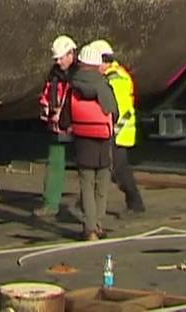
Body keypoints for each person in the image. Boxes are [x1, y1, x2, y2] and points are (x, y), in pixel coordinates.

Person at [62, 41, 121, 240]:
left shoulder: (72, 88)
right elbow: (115, 114)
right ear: (97, 65)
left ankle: (89, 229)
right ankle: (98, 223)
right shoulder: (103, 86)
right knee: (102, 184)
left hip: (82, 143)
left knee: (86, 185)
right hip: (103, 143)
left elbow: (64, 120)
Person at [95, 41, 146, 215]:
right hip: (119, 130)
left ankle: (135, 204)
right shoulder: (116, 75)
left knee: (119, 169)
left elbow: (119, 109)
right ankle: (134, 203)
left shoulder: (115, 79)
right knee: (115, 168)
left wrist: (113, 129)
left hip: (118, 131)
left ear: (104, 61)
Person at [37, 35, 79, 221]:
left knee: (88, 169)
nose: (58, 61)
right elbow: (46, 96)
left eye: (61, 58)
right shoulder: (53, 76)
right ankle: (50, 204)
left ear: (71, 54)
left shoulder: (80, 74)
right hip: (57, 126)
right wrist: (48, 111)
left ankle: (88, 207)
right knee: (54, 164)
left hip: (78, 126)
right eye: (56, 59)